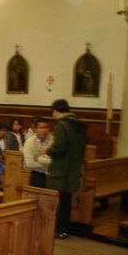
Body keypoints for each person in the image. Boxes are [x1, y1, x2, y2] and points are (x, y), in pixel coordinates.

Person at [46, 99, 87, 239]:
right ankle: (64, 229)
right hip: (73, 168)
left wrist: (48, 150)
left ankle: (58, 228)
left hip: (61, 169)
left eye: (53, 113)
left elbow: (59, 146)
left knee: (59, 200)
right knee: (66, 200)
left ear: (56, 111)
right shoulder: (78, 125)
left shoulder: (62, 125)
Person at [23, 117, 54, 188]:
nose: (44, 130)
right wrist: (47, 165)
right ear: (35, 129)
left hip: (52, 174)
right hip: (37, 173)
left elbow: (55, 162)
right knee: (39, 183)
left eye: (46, 127)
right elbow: (29, 163)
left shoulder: (53, 140)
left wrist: (39, 159)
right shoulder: (29, 142)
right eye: (41, 128)